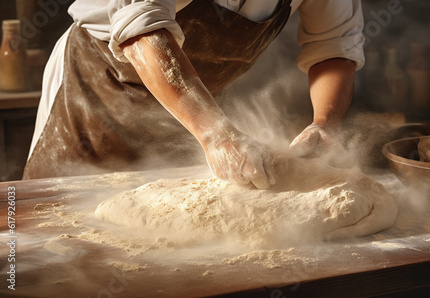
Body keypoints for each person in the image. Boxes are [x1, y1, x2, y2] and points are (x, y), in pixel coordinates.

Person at [23, 0, 365, 189]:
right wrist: (216, 134)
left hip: (192, 109)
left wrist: (325, 121)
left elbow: (332, 47)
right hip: (96, 94)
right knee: (59, 226)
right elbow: (143, 32)